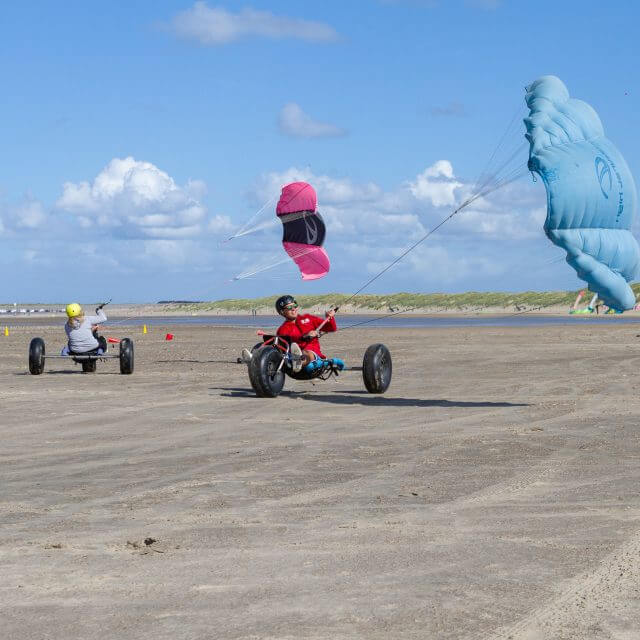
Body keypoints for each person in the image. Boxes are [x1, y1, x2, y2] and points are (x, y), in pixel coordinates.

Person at [273, 295, 344, 373]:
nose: (293, 309)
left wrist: (330, 318)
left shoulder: (309, 318)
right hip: (292, 358)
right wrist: (305, 336)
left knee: (306, 353)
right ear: (282, 312)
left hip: (313, 357)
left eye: (295, 306)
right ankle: (295, 362)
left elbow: (331, 328)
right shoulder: (282, 330)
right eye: (289, 308)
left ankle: (298, 362)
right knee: (291, 353)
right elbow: (283, 348)